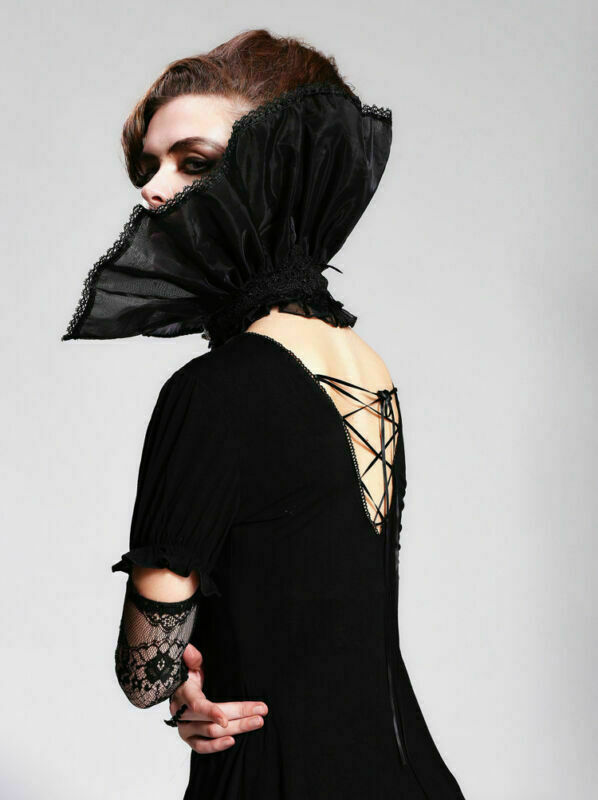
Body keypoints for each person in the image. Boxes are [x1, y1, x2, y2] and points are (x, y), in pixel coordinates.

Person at [62, 28, 467, 800]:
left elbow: (146, 673)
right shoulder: (366, 366)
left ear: (280, 172)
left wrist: (178, 684)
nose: (153, 191)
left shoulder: (213, 390)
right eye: (149, 167)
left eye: (193, 161)